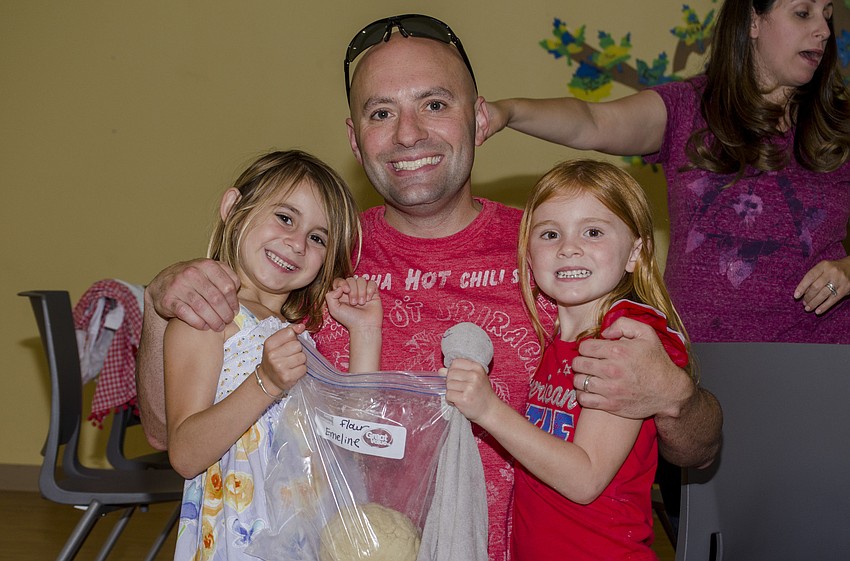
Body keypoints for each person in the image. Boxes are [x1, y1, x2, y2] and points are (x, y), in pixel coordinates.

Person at [136, 15, 722, 561]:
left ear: (478, 117)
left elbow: (700, 449)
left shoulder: (555, 251)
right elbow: (172, 435)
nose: (408, 133)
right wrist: (165, 306)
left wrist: (679, 399)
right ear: (355, 135)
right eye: (381, 113)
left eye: (434, 104)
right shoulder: (313, 256)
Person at [485, 0, 850, 343]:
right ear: (753, 20)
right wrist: (509, 112)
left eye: (828, 14)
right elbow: (593, 121)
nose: (823, 29)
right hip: (699, 362)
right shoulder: (687, 107)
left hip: (822, 352)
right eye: (803, 13)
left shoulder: (841, 123)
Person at [446, 159, 690, 560]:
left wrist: (488, 410)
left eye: (592, 231)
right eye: (550, 234)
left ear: (635, 252)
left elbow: (585, 477)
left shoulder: (625, 339)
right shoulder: (558, 339)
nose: (569, 247)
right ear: (528, 253)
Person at [166, 150, 382, 560]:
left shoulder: (299, 334)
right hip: (242, 539)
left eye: (318, 238)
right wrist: (265, 383)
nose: (297, 243)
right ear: (233, 207)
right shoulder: (208, 317)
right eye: (285, 217)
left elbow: (355, 442)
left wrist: (365, 332)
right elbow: (185, 453)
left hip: (305, 535)